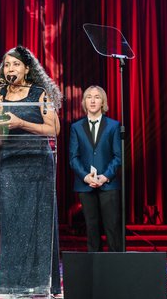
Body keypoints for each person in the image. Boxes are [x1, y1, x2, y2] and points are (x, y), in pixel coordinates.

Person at [0, 45, 62, 296]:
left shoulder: (40, 93)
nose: (10, 69)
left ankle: (41, 283)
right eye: (7, 65)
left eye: (15, 64)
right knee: (13, 226)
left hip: (38, 165)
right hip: (10, 165)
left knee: (39, 225)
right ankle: (12, 284)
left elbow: (54, 129)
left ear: (27, 69)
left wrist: (21, 123)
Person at [69, 85, 122, 252]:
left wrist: (105, 177)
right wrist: (86, 177)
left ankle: (116, 268)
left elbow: (118, 156)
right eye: (89, 97)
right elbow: (73, 157)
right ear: (84, 102)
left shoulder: (114, 126)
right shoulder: (76, 127)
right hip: (86, 185)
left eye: (97, 97)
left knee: (112, 228)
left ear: (103, 102)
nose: (92, 100)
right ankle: (96, 270)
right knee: (92, 229)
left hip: (108, 184)